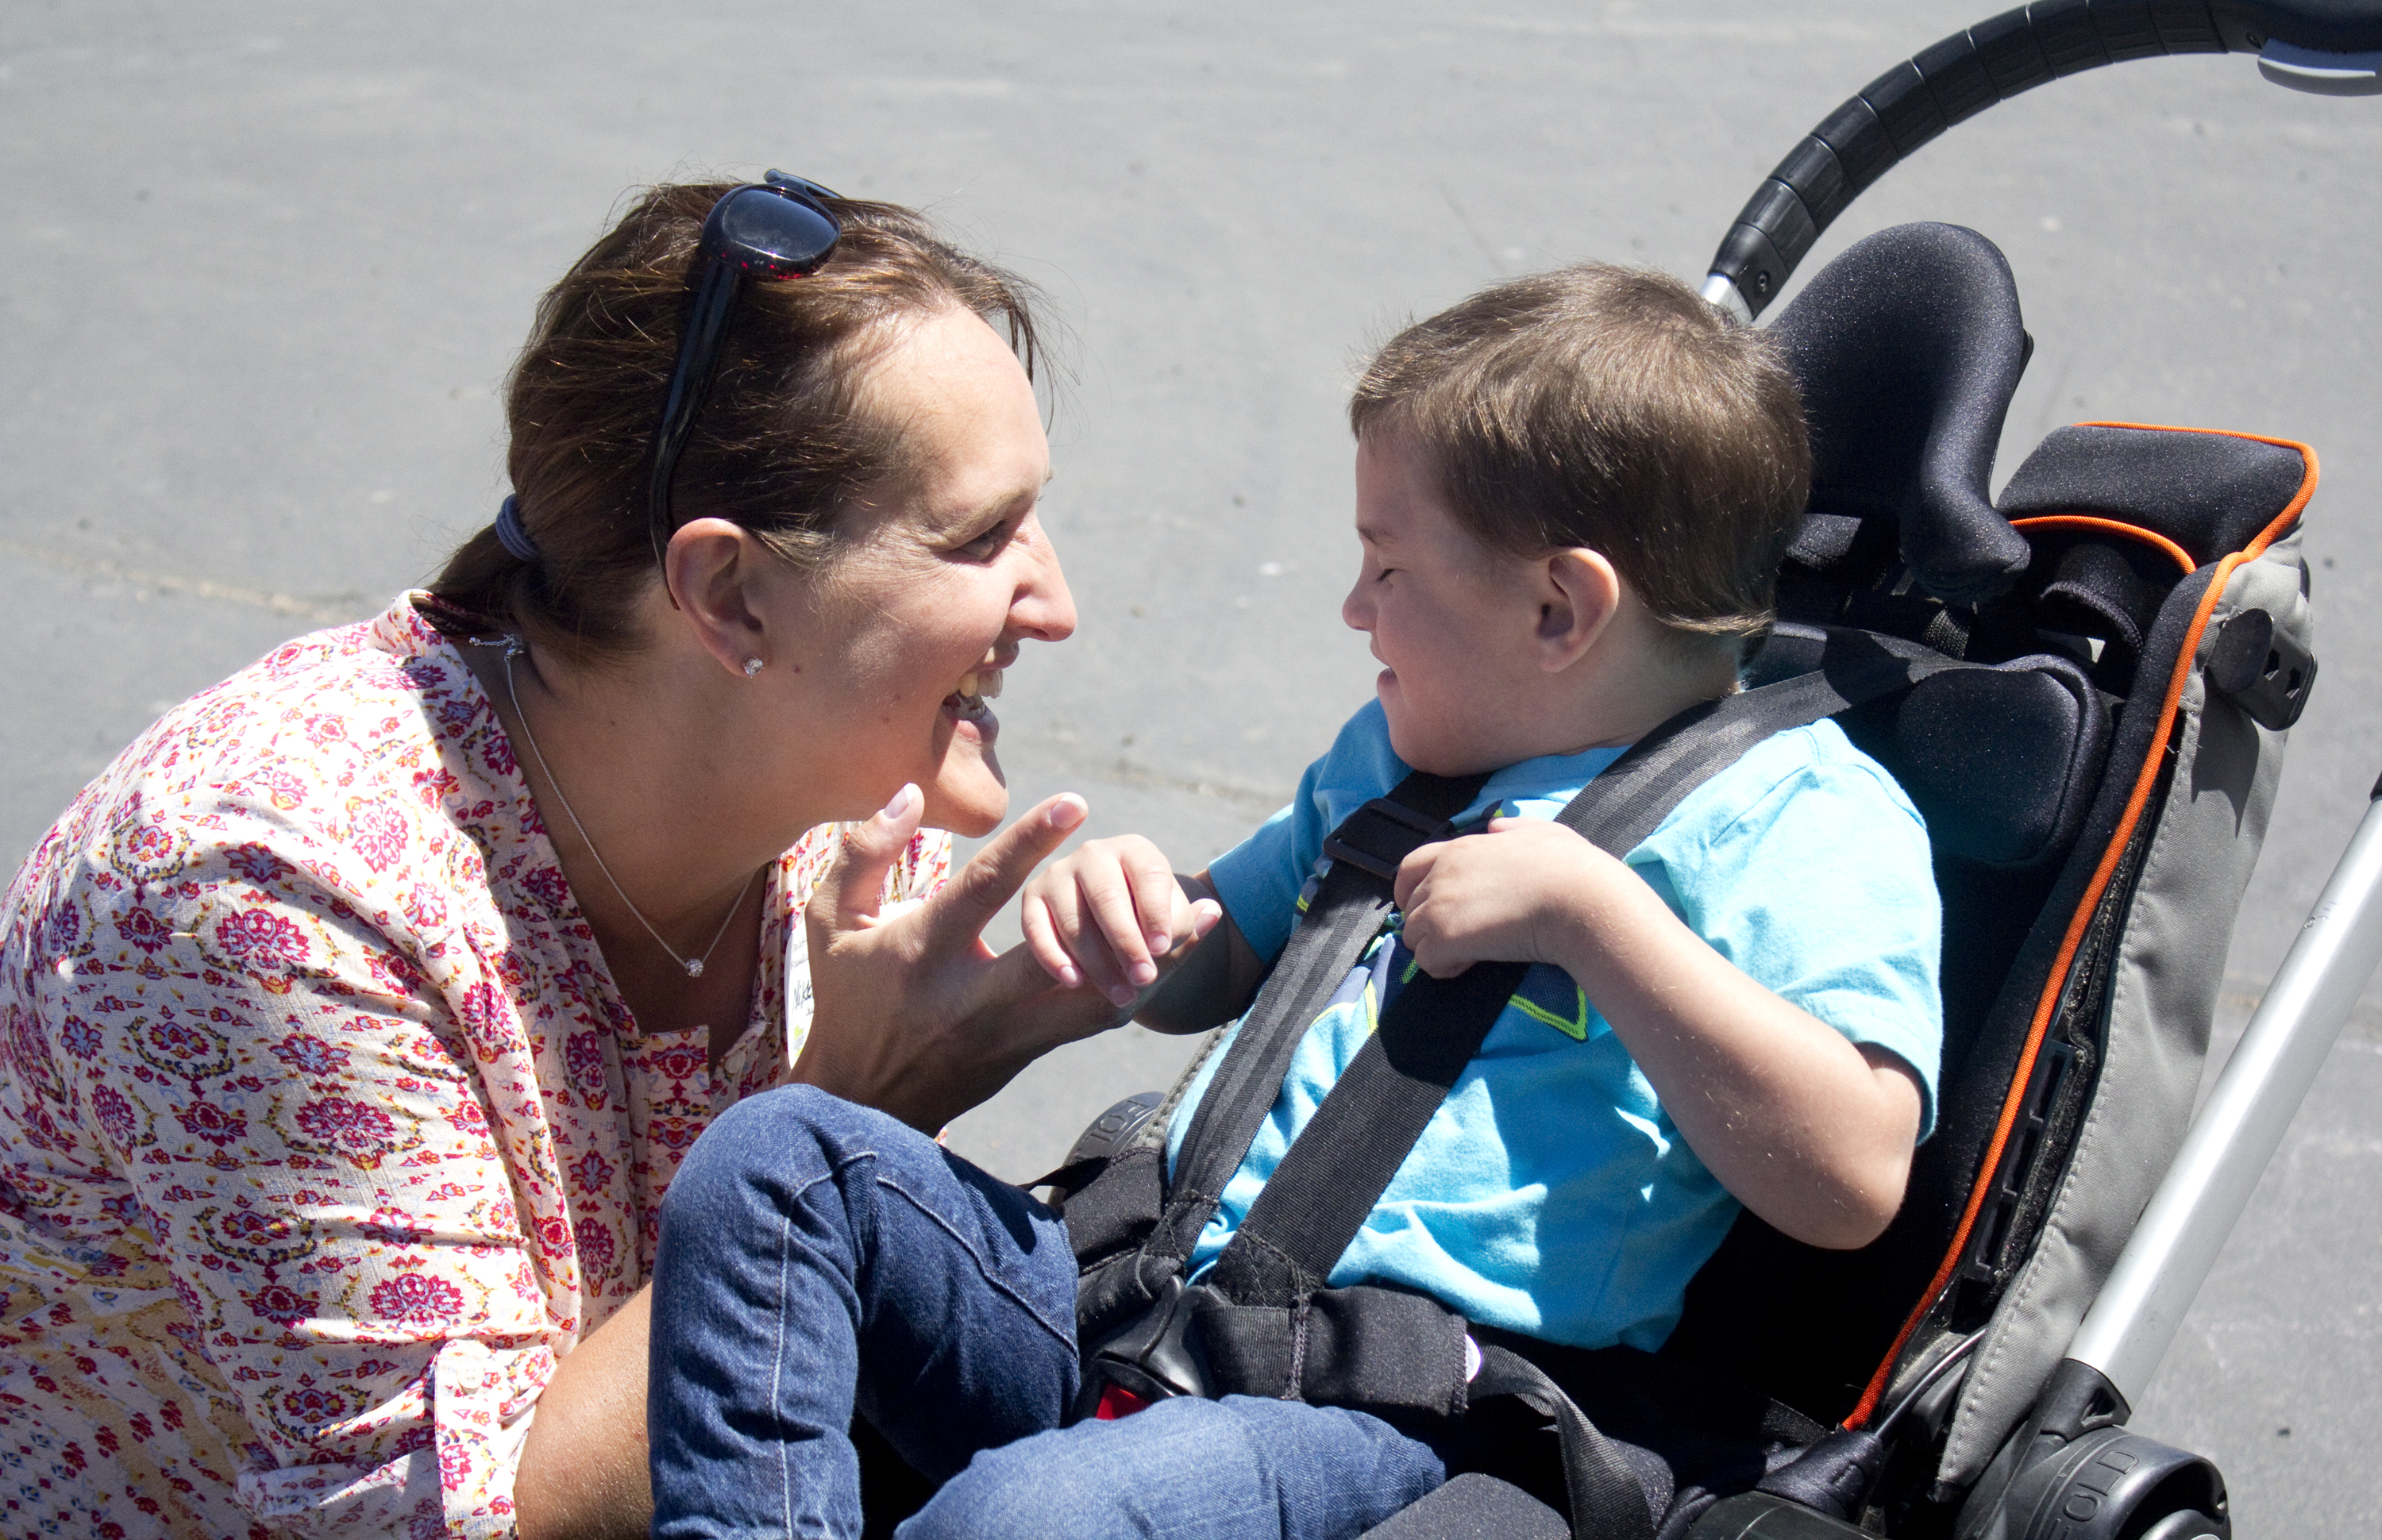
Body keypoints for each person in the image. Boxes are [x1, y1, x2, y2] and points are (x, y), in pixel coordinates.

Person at [646, 263, 1945, 1538]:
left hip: (1405, 1423)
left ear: (1560, 608)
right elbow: (1215, 960)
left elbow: (1852, 1175)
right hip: (1137, 1303)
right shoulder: (1397, 760)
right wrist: (1141, 914)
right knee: (780, 1163)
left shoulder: (1800, 822)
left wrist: (1595, 923)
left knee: (1034, 1514)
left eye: (1388, 570)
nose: (1350, 608)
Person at [0, 176, 1176, 1539]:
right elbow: (463, 1523)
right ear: (729, 596)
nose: (1058, 602)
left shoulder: (841, 813)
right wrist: (848, 1120)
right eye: (980, 536)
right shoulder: (263, 891)